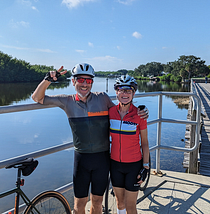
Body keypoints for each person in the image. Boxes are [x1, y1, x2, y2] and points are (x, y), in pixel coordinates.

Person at [31, 63, 148, 214]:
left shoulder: (103, 98)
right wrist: (48, 79)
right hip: (81, 159)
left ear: (92, 82)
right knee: (79, 205)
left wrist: (142, 110)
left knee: (97, 203)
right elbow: (37, 98)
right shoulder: (66, 101)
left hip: (102, 159)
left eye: (89, 80)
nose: (84, 84)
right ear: (73, 81)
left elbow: (122, 110)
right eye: (80, 79)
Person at [109, 75, 150, 214]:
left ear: (133, 93)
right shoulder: (110, 112)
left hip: (133, 165)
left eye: (129, 90)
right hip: (115, 164)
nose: (125, 93)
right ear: (116, 92)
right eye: (121, 89)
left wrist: (146, 166)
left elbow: (144, 143)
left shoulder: (139, 114)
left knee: (130, 205)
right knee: (120, 203)